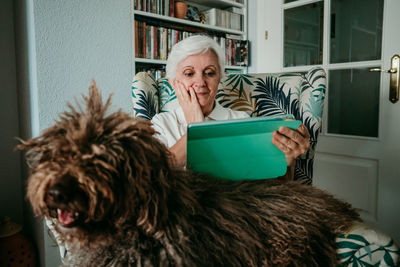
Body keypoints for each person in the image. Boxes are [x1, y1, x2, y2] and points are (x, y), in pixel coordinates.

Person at [151, 35, 310, 179]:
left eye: (210, 73)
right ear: (173, 83)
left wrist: (287, 161)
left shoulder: (241, 120)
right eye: (189, 73)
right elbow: (151, 177)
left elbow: (265, 185)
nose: (200, 82)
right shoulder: (160, 123)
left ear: (219, 78)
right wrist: (196, 130)